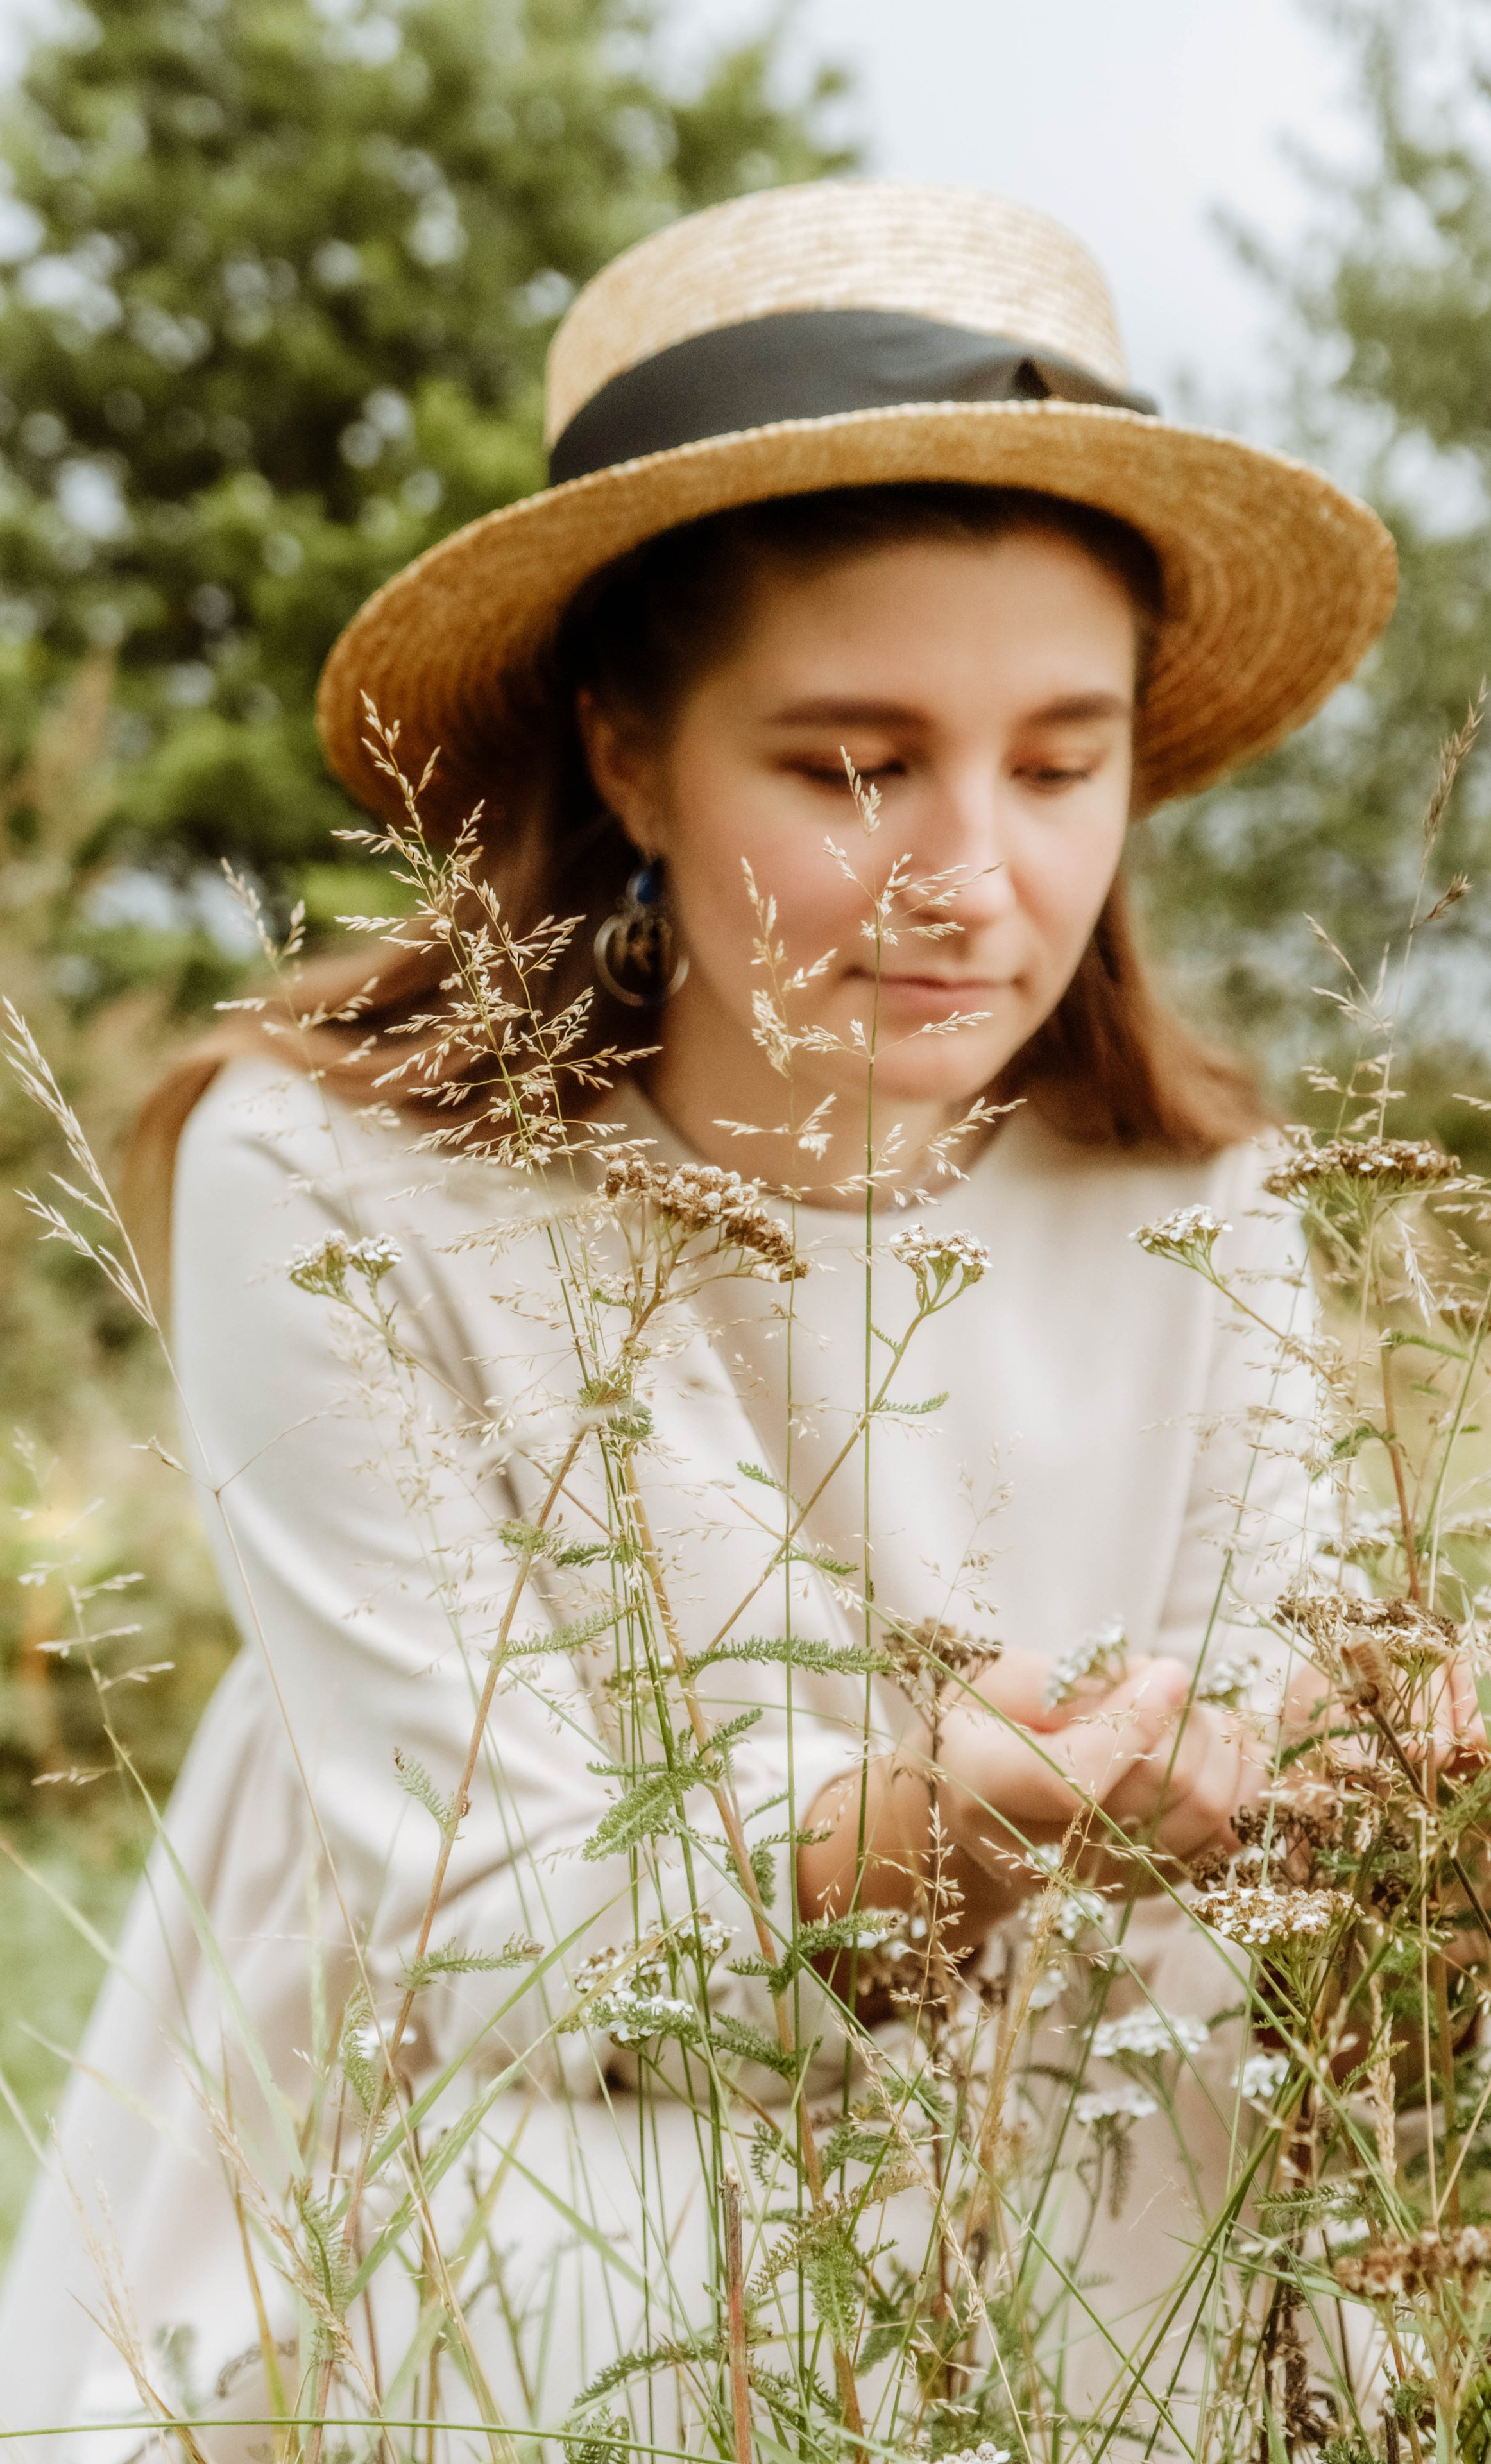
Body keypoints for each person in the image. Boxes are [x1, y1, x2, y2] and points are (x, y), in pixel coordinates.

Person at [0, 180, 1399, 2456]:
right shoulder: (336, 1180)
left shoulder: (1208, 1205)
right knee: (613, 2292)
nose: (974, 875)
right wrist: (913, 1832)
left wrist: (1360, 1790)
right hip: (508, 2135)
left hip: (1077, 2123)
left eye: (1061, 766)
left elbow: (1250, 1819)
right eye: (854, 765)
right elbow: (504, 1943)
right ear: (630, 754)